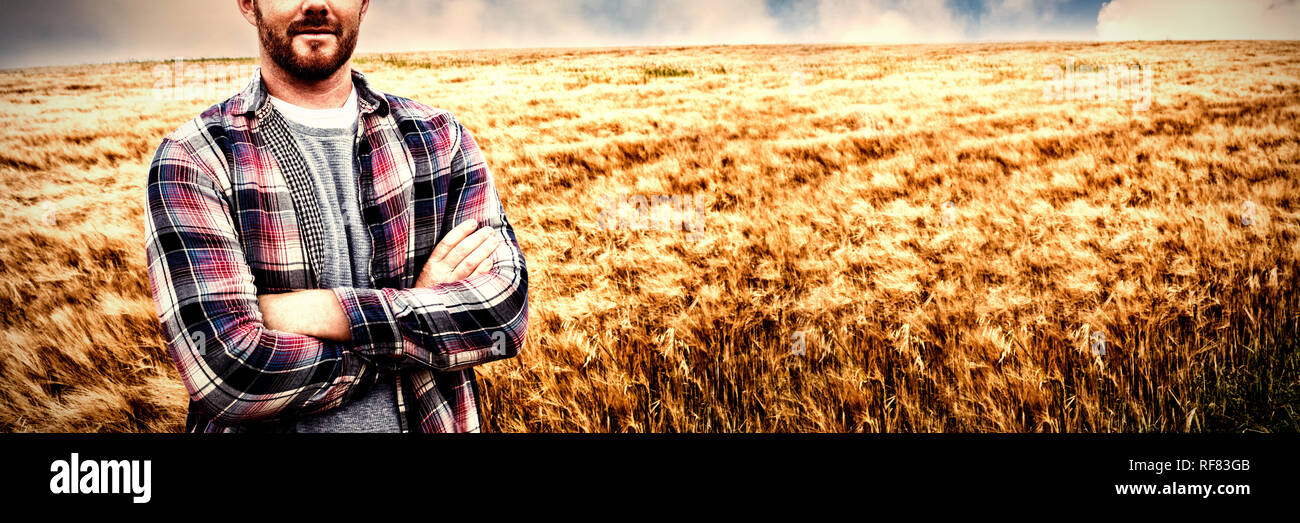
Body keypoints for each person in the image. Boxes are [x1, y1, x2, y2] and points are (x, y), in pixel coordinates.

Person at [143, 0, 529, 432]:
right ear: (248, 3)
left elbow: (503, 314)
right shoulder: (195, 159)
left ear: (364, 3)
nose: (314, 4)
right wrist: (417, 317)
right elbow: (227, 372)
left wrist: (315, 312)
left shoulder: (439, 140)